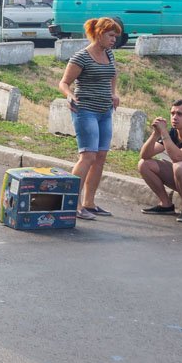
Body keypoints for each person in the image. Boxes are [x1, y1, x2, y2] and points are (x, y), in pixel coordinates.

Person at [58, 16, 121, 220]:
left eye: (115, 37)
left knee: (100, 157)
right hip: (85, 110)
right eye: (111, 36)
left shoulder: (109, 54)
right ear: (99, 34)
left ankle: (89, 203)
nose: (114, 40)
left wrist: (113, 93)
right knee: (88, 156)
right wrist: (69, 95)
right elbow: (64, 82)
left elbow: (112, 74)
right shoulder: (81, 57)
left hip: (105, 111)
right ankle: (73, 204)